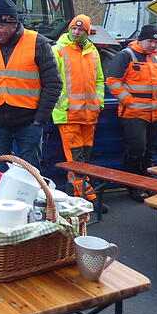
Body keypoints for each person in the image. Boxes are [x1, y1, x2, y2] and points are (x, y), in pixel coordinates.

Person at [0, 0, 61, 170]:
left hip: (29, 123)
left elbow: (53, 83)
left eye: (0, 26)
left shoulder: (38, 43)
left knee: (29, 175)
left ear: (14, 24)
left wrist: (40, 119)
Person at [105, 24, 157, 201]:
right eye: (150, 41)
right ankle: (133, 186)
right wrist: (129, 102)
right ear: (140, 40)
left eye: (156, 42)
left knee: (150, 152)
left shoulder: (156, 59)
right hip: (134, 115)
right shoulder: (126, 56)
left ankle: (147, 184)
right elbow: (112, 81)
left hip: (155, 114)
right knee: (136, 150)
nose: (153, 45)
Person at [52, 15, 104, 200]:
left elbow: (99, 80)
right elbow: (52, 81)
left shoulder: (93, 51)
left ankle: (73, 196)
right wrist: (63, 104)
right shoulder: (58, 50)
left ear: (87, 32)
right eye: (74, 28)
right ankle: (88, 197)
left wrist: (99, 102)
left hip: (89, 114)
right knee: (76, 159)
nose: (76, 32)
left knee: (84, 158)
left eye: (80, 29)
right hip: (69, 115)